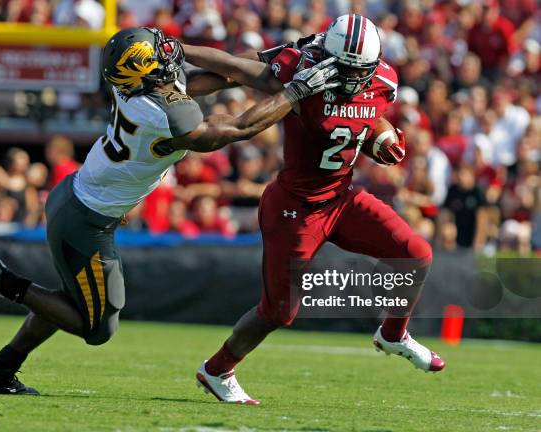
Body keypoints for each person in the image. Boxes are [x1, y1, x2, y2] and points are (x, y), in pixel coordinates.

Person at [0, 26, 340, 395]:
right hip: (85, 219)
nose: (170, 53)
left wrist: (279, 59)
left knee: (74, 300)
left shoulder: (142, 88)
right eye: (162, 53)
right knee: (98, 325)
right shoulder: (164, 114)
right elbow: (237, 127)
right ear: (148, 72)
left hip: (78, 200)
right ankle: (0, 281)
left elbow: (227, 74)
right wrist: (295, 91)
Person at [183, 13, 445, 405]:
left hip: (342, 196)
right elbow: (235, 70)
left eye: (356, 69)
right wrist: (179, 57)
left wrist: (381, 134)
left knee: (416, 254)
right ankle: (217, 369)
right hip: (295, 206)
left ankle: (393, 335)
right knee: (278, 313)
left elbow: (368, 113)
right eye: (342, 66)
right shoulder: (298, 70)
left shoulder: (385, 81)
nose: (349, 75)